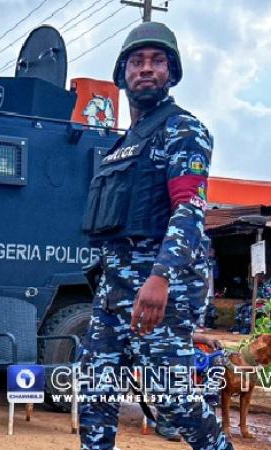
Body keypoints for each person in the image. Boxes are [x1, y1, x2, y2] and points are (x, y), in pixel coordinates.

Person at [79, 22, 233, 449]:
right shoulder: (125, 141)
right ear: (122, 72)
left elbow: (189, 209)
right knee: (93, 391)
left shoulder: (183, 130)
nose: (146, 69)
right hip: (114, 290)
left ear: (172, 72)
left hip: (159, 290)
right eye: (137, 61)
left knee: (173, 400)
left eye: (157, 61)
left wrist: (160, 278)